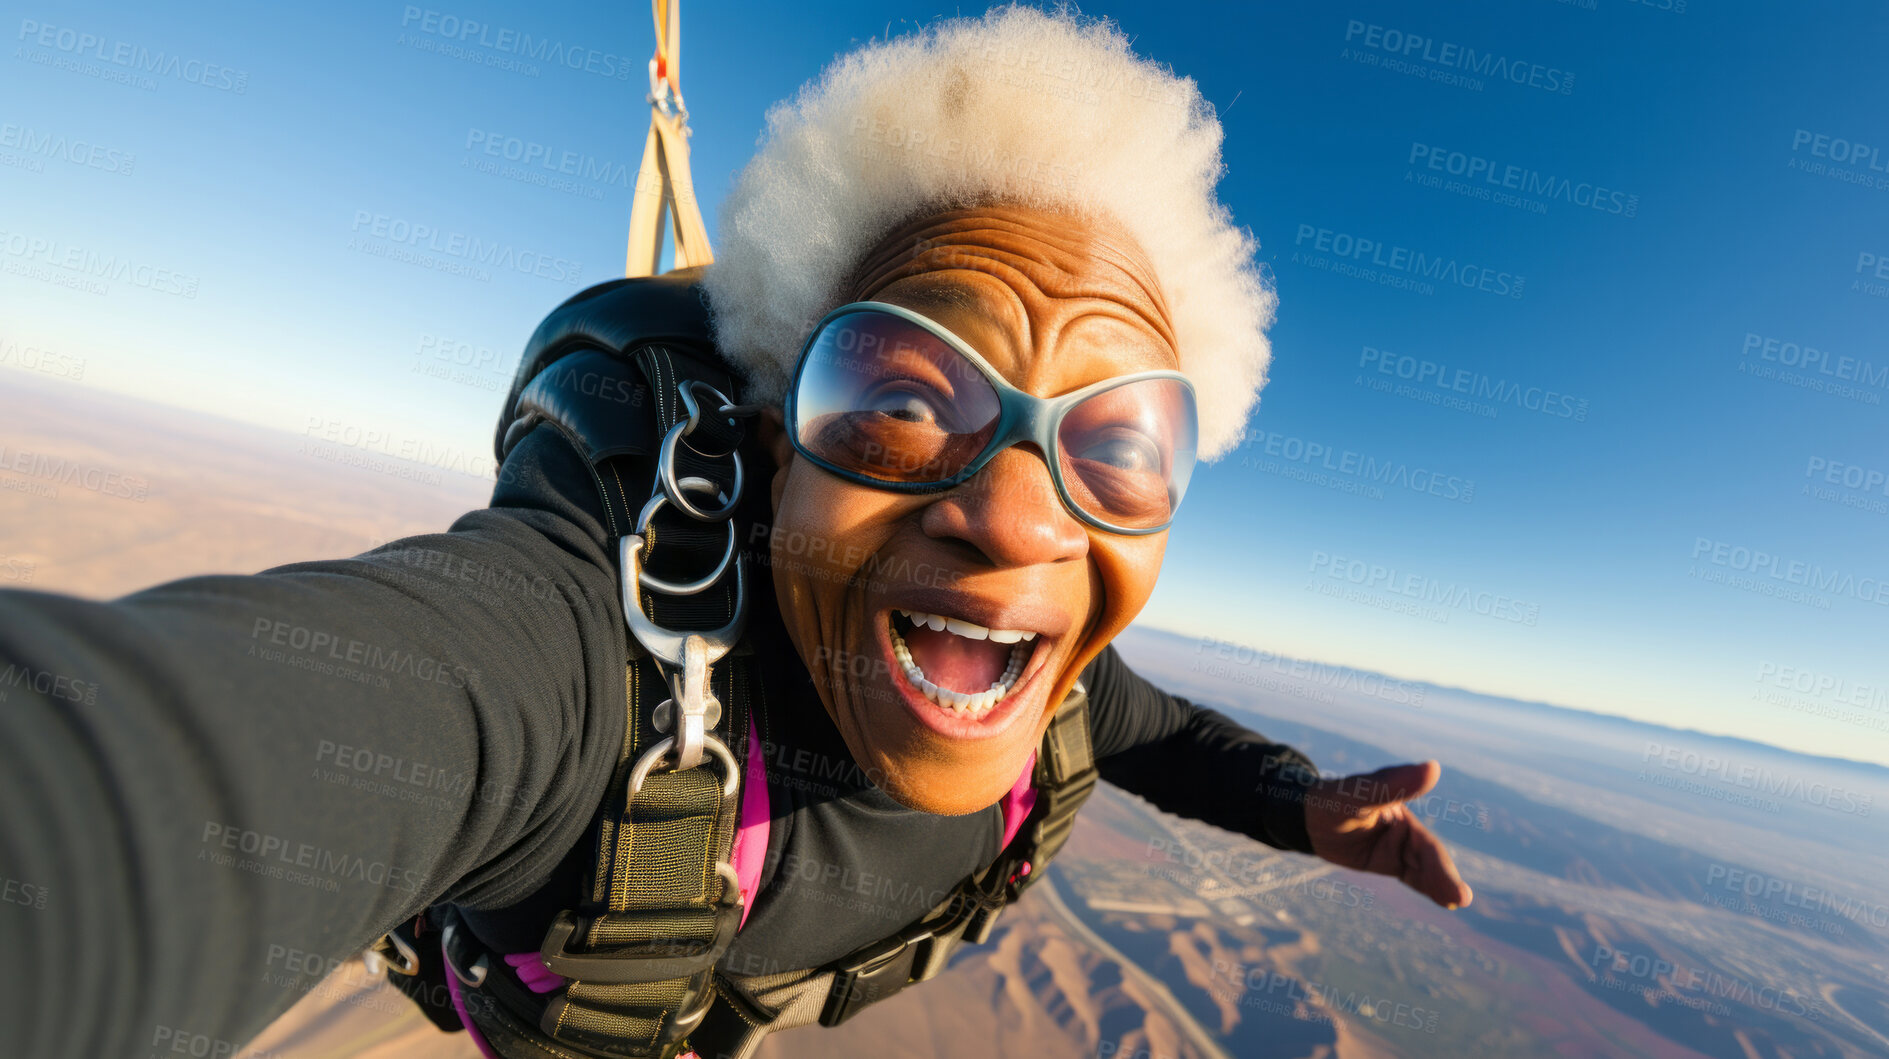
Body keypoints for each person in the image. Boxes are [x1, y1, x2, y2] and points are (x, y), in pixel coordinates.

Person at [0, 8, 1470, 1058]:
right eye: (901, 399)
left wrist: (1292, 805)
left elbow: (1147, 728)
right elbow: (162, 774)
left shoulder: (1057, 678)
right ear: (775, 441)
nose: (1020, 515)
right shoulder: (603, 659)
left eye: (1119, 445)